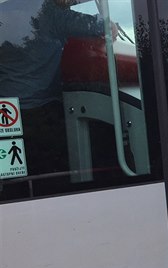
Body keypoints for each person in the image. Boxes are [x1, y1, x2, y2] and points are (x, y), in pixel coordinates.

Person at [0, 0, 113, 179]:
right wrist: (109, 24)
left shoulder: (3, 12)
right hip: (43, 113)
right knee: (52, 175)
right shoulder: (49, 12)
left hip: (6, 117)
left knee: (11, 175)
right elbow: (101, 25)